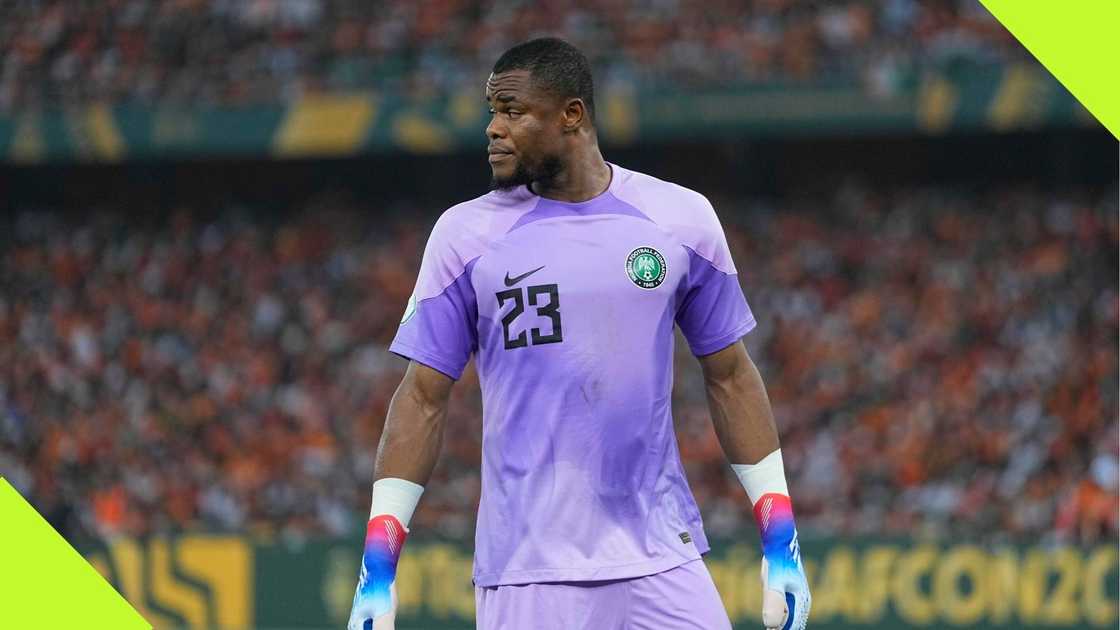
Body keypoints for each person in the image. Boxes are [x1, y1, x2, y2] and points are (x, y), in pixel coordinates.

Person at [347, 37, 810, 630]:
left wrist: (781, 539)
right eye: (492, 111)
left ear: (572, 115)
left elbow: (731, 376)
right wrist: (378, 569)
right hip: (530, 570)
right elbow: (420, 399)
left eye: (512, 111)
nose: (493, 128)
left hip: (662, 558)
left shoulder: (681, 219)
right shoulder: (464, 237)